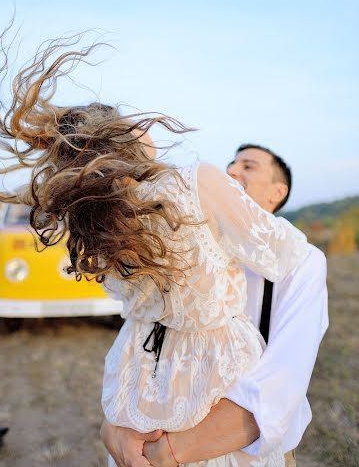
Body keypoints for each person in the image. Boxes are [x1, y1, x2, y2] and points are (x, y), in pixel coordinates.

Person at [0, 31, 309, 467]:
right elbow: (290, 253)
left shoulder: (98, 224)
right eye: (129, 124)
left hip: (139, 380)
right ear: (118, 142)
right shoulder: (194, 182)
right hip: (213, 385)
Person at [101, 145, 328, 466]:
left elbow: (278, 391)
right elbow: (140, 340)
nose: (233, 171)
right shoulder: (188, 247)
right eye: (231, 164)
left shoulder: (304, 262)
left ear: (279, 191)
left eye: (248, 166)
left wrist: (169, 452)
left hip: (230, 452)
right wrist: (113, 427)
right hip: (145, 438)